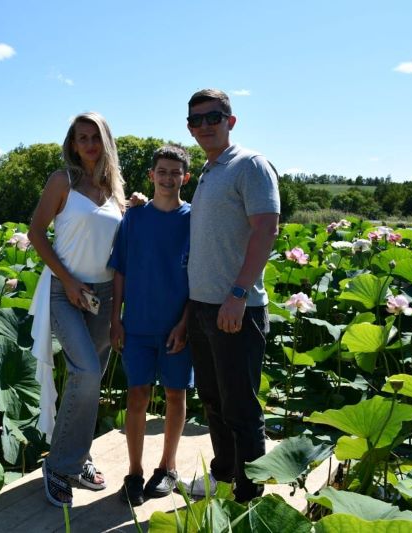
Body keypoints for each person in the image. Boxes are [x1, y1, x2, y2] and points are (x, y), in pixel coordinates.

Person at [183, 88, 280, 503]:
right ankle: (223, 476)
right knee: (213, 402)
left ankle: (248, 494)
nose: (205, 125)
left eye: (213, 117)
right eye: (196, 120)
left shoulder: (250, 165)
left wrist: (238, 293)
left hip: (237, 307)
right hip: (202, 307)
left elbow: (266, 230)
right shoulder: (208, 172)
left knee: (241, 408)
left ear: (231, 121)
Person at [28, 112, 126, 507]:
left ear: (105, 142)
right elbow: (36, 232)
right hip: (64, 289)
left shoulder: (115, 189)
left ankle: (79, 456)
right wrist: (67, 281)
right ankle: (58, 464)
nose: (88, 144)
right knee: (85, 372)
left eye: (94, 137)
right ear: (72, 143)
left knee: (91, 378)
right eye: (81, 138)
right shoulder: (62, 181)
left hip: (102, 295)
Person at [108, 145, 195, 506]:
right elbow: (121, 271)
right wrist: (116, 319)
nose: (168, 178)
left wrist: (186, 323)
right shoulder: (134, 217)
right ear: (151, 175)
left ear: (185, 178)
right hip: (138, 325)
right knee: (137, 395)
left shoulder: (194, 218)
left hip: (177, 325)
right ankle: (133, 473)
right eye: (162, 171)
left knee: (176, 394)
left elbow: (200, 277)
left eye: (175, 173)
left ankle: (167, 468)